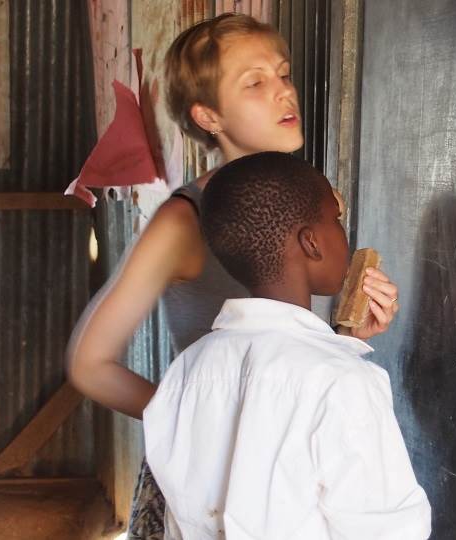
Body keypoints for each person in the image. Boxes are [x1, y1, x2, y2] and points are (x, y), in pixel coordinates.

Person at [66, 14, 401, 539]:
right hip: (204, 483)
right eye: (256, 83)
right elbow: (90, 364)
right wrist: (204, 419)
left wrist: (347, 341)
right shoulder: (185, 220)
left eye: (285, 74)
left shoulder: (299, 195)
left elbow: (284, 353)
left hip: (288, 469)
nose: (284, 93)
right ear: (209, 115)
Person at [142, 152, 430, 539]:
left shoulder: (186, 371)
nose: (344, 232)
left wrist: (342, 342)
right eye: (335, 220)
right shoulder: (342, 384)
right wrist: (339, 355)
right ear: (311, 243)